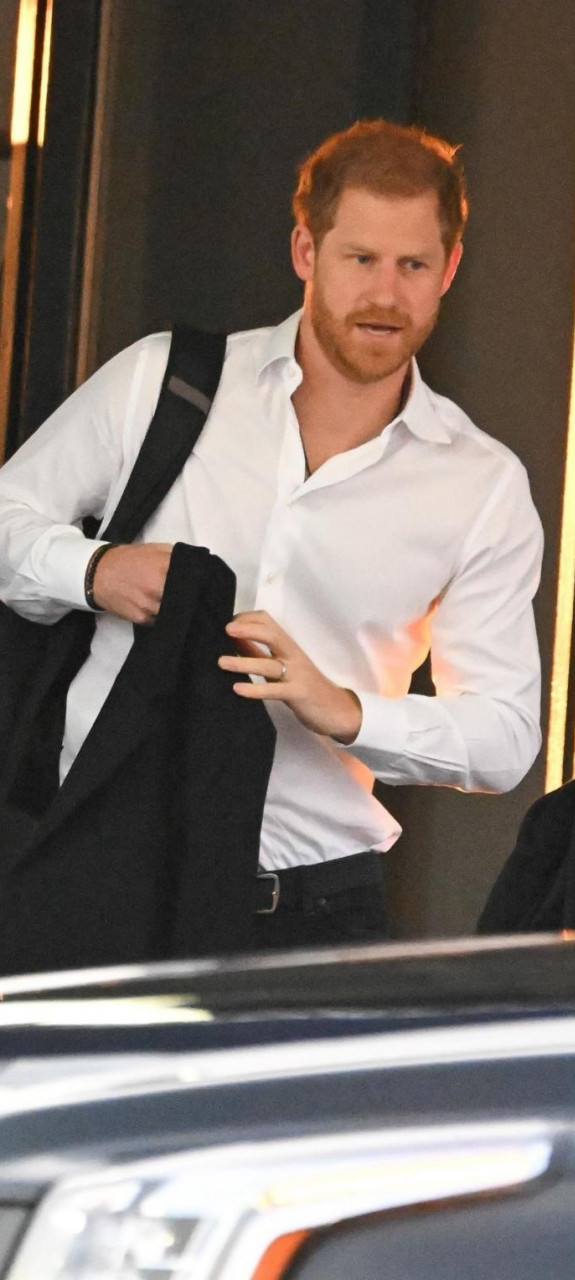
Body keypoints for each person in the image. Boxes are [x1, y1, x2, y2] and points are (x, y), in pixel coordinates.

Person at [0, 120, 543, 949]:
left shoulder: (482, 484)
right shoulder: (168, 382)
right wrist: (96, 571)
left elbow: (504, 736)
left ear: (450, 270)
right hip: (98, 877)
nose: (386, 294)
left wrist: (348, 711)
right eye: (360, 258)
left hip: (305, 915)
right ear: (305, 251)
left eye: (413, 265)